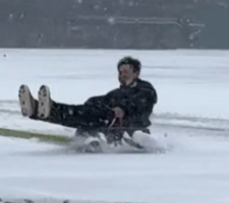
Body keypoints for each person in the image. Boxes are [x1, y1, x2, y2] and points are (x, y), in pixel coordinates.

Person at [18, 56, 158, 141]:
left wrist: (123, 109)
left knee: (84, 115)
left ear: (136, 72)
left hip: (129, 130)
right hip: (107, 126)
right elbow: (102, 100)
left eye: (126, 72)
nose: (122, 75)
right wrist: (92, 103)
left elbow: (140, 102)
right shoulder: (115, 93)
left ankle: (50, 108)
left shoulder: (145, 89)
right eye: (120, 72)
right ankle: (36, 110)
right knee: (83, 113)